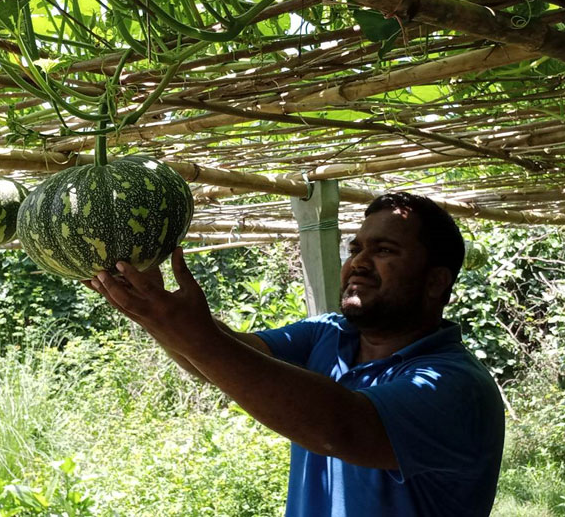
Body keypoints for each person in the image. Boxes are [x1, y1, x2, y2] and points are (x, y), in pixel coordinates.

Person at [87, 191, 505, 516]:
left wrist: (188, 331)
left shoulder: (456, 386)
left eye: (383, 251)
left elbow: (340, 429)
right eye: (355, 248)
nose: (357, 262)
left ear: (435, 283)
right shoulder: (330, 333)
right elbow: (226, 360)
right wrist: (152, 309)